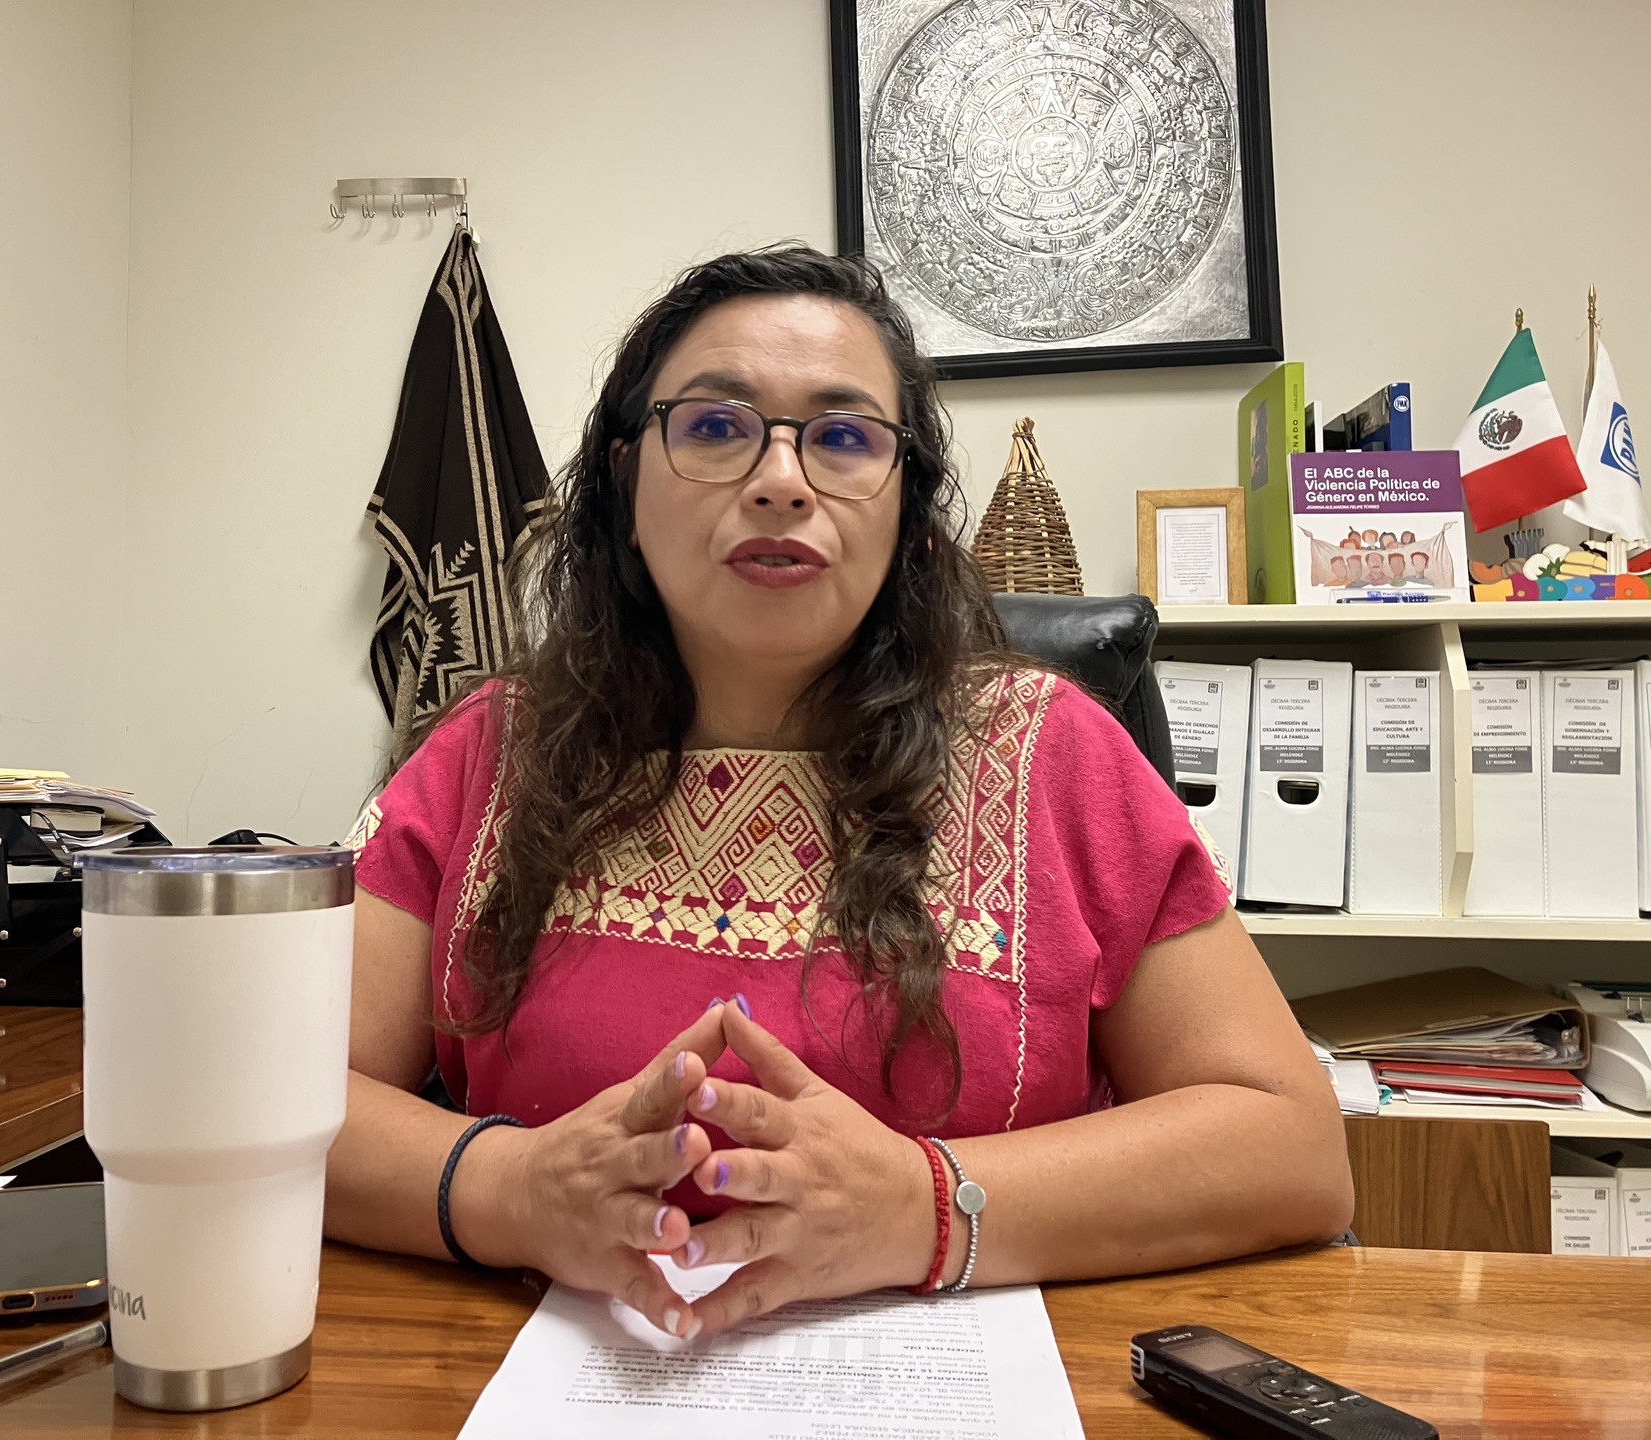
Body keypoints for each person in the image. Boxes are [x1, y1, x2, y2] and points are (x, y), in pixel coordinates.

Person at [326, 246, 1352, 1341]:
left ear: (906, 508)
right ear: (625, 484)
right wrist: (512, 1189)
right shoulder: (492, 755)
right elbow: (278, 1099)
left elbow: (1291, 1148)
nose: (781, 480)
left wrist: (925, 1207)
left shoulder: (1054, 756)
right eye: (713, 427)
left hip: (959, 1384)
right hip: (550, 1376)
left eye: (846, 437)